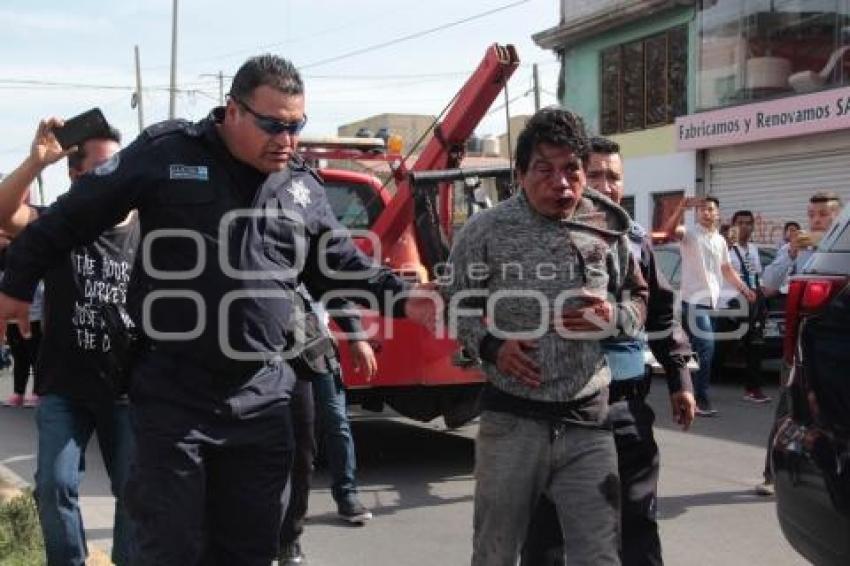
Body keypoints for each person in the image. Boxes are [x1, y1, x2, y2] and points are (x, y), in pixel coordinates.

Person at [0, 55, 435, 565]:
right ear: (233, 111)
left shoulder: (299, 184)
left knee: (250, 549)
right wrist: (17, 281)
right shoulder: (166, 154)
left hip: (263, 398)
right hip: (174, 397)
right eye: (273, 125)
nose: (287, 140)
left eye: (296, 127)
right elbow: (73, 214)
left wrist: (402, 296)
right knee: (172, 548)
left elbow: (336, 263)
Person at [441, 107, 649, 566]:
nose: (562, 183)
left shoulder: (607, 226)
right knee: (496, 553)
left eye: (571, 169)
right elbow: (455, 305)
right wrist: (493, 347)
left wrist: (614, 317)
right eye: (544, 170)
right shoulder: (484, 232)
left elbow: (638, 297)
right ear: (519, 174)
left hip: (587, 421)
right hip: (512, 422)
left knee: (600, 556)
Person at [520, 136, 695, 566]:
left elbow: (661, 314)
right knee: (549, 535)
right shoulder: (537, 241)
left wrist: (679, 379)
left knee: (636, 526)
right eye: (594, 174)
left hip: (624, 410)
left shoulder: (635, 241)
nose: (605, 184)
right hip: (558, 412)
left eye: (613, 176)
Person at [0, 120, 137, 565]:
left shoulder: (152, 226)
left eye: (119, 168)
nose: (114, 180)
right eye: (101, 170)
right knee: (53, 486)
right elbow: (4, 216)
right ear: (76, 177)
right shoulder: (58, 224)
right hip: (64, 386)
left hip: (129, 390)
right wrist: (35, 161)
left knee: (136, 495)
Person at [278, 287, 375, 565]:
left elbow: (335, 285)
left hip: (314, 347)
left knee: (331, 424)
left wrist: (356, 336)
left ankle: (346, 497)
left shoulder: (306, 250)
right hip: (261, 348)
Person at [756, 191, 843, 496]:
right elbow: (767, 286)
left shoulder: (842, 249)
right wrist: (790, 254)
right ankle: (771, 474)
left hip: (839, 345)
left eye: (823, 214)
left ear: (838, 216)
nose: (816, 220)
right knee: (788, 406)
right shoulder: (796, 249)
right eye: (812, 214)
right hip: (802, 346)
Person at [661, 196, 756, 417]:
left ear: (717, 214)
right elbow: (668, 232)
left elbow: (726, 269)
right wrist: (680, 208)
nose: (705, 212)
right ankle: (700, 397)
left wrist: (744, 288)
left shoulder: (720, 241)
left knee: (697, 350)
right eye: (702, 209)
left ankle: (686, 391)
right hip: (693, 301)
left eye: (710, 209)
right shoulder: (690, 234)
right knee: (707, 347)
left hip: (711, 301)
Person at [722, 210, 769, 403]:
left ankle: (753, 388)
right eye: (740, 223)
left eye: (748, 223)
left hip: (752, 299)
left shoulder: (753, 249)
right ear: (733, 225)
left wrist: (761, 294)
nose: (744, 227)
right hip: (730, 301)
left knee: (755, 343)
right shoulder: (725, 247)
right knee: (717, 348)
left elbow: (756, 275)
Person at [4, 281, 43, 407]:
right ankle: (18, 393)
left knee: (35, 357)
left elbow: (43, 292)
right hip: (11, 320)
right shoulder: (7, 268)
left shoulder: (35, 267)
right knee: (19, 357)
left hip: (33, 318)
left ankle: (38, 392)